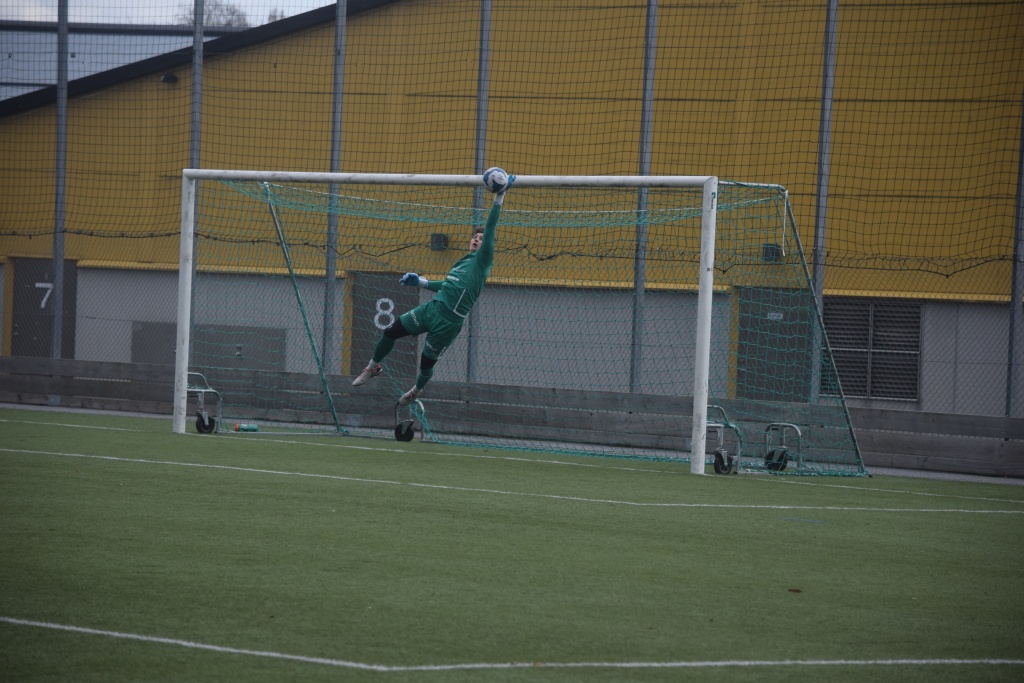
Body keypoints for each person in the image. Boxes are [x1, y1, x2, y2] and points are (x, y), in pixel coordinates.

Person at [352, 174, 515, 406]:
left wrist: (500, 197)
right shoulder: (462, 262)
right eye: (474, 238)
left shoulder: (483, 261)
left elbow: (490, 228)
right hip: (432, 309)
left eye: (481, 239)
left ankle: (416, 390)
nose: (476, 240)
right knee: (390, 331)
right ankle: (372, 367)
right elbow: (448, 285)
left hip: (448, 323)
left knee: (426, 364)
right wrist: (420, 282)